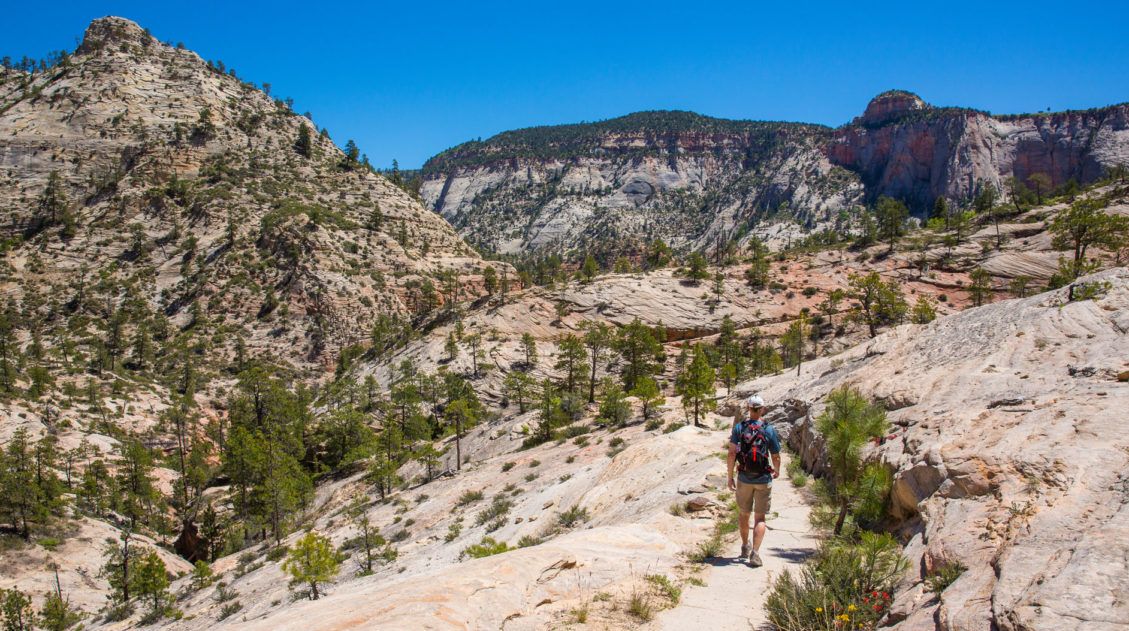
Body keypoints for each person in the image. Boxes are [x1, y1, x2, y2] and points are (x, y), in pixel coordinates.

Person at [727, 393, 781, 567]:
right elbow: (775, 455)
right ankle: (755, 553)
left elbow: (732, 453)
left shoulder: (739, 428)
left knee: (744, 514)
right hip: (763, 478)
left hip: (744, 477)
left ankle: (745, 546)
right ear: (762, 409)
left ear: (749, 408)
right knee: (760, 518)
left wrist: (730, 477)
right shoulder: (768, 429)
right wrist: (777, 471)